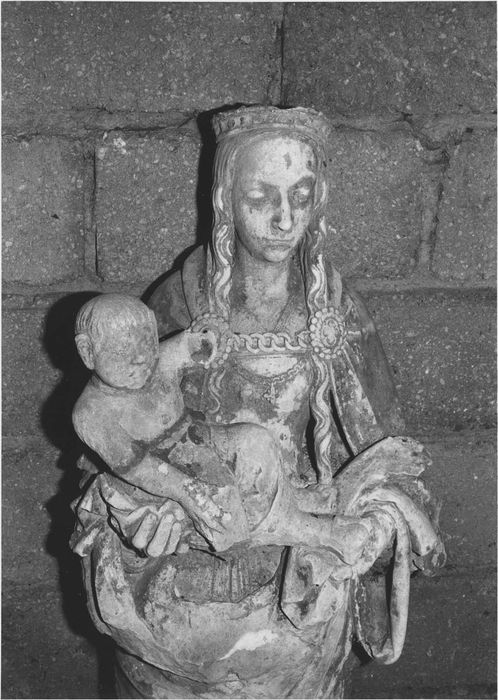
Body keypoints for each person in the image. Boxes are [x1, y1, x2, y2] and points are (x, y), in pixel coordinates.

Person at [71, 106, 444, 699]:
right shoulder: (177, 305)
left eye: (301, 196)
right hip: (187, 587)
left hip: (297, 588)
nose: (284, 219)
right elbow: (112, 439)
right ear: (225, 201)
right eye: (260, 198)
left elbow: (390, 457)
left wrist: (377, 525)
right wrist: (141, 518)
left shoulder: (335, 315)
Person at [73, 292, 374, 557]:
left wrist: (205, 342)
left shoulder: (155, 362)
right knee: (222, 504)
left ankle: (289, 499)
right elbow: (142, 470)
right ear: (88, 351)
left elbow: (187, 347)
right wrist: (188, 493)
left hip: (194, 438)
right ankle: (318, 533)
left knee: (254, 440)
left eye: (147, 342)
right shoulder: (91, 414)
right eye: (122, 349)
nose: (141, 358)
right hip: (160, 475)